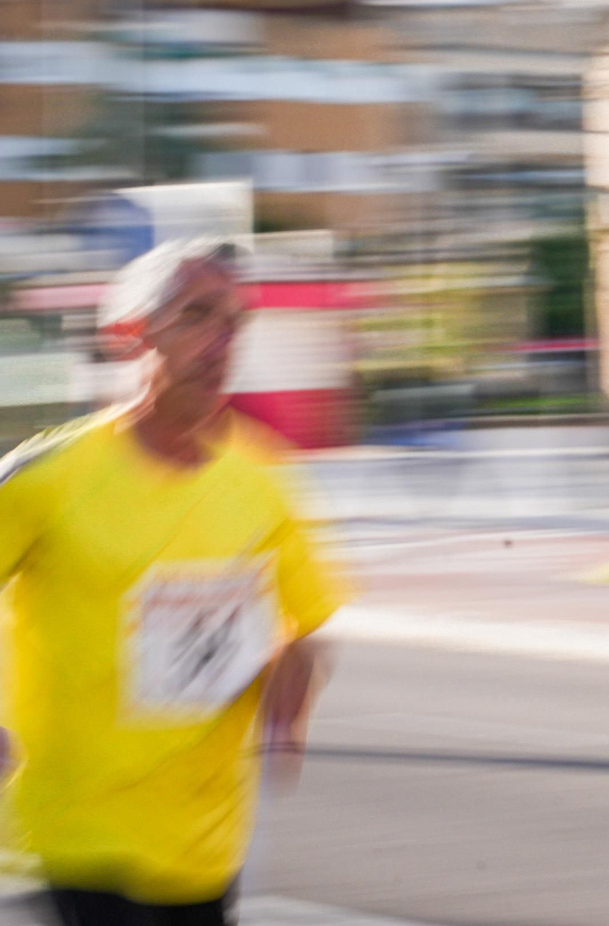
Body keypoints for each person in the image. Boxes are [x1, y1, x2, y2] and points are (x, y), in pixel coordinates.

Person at [0, 238, 346, 926]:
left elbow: (303, 627)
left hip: (204, 841)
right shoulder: (45, 477)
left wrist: (289, 696)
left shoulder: (264, 477)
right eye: (197, 315)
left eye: (235, 321)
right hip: (78, 833)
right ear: (129, 334)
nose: (222, 340)